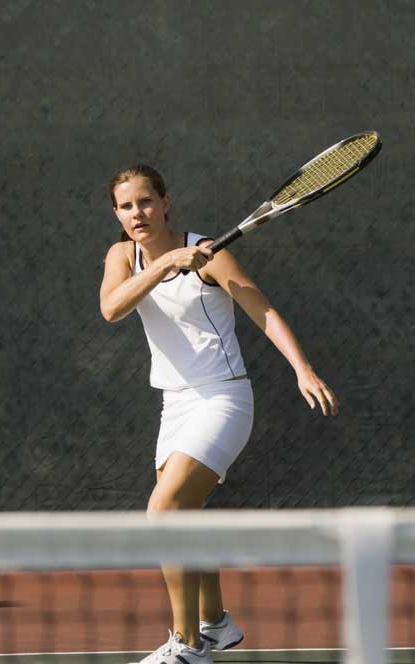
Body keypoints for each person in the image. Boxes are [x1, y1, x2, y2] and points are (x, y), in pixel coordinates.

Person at [99, 165, 339, 664]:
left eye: (145, 202)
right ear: (116, 214)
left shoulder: (212, 254)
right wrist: (164, 267)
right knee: (184, 515)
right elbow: (111, 308)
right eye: (126, 206)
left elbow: (262, 310)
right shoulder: (122, 255)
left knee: (163, 511)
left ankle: (186, 645)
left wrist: (303, 368)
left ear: (166, 202)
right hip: (175, 402)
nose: (136, 214)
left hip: (223, 398)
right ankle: (217, 623)